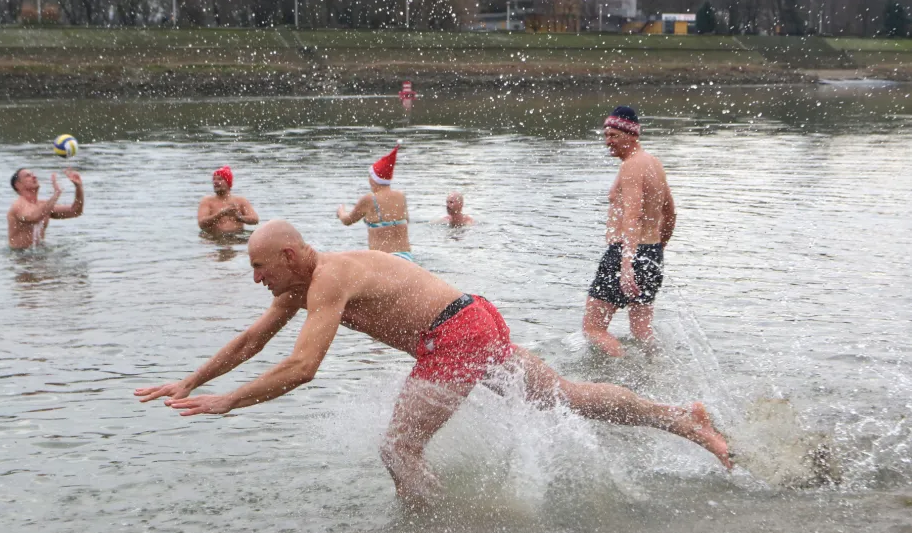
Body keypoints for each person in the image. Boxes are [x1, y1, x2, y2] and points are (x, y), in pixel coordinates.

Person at [135, 220, 730, 506]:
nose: (258, 281)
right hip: (475, 318)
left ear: (290, 255)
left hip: (454, 335)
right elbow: (250, 343)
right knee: (566, 394)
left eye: (261, 269)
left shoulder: (331, 278)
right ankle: (684, 418)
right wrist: (191, 381)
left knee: (397, 449)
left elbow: (302, 366)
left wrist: (230, 402)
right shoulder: (302, 285)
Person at [583, 106, 676, 358]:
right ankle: (655, 369)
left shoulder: (632, 166)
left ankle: (623, 377)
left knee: (593, 328)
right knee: (642, 330)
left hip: (626, 254)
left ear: (632, 135)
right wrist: (657, 250)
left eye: (614, 135)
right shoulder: (653, 163)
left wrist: (626, 266)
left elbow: (631, 217)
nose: (608, 142)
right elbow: (670, 213)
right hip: (650, 253)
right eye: (605, 136)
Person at [337, 144, 413, 262]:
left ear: (373, 179)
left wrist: (340, 211)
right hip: (406, 259)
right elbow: (407, 220)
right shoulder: (401, 196)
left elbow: (348, 221)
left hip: (382, 261)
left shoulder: (369, 199)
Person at [7, 167, 84, 250]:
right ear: (18, 185)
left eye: (33, 174)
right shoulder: (18, 205)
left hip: (38, 253)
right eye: (28, 176)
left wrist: (78, 187)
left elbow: (76, 211)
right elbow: (34, 217)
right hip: (20, 257)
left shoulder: (43, 205)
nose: (34, 177)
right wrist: (56, 194)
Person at [198, 166, 260, 234]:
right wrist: (221, 214)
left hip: (237, 237)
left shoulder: (240, 201)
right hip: (215, 239)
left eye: (220, 179)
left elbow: (255, 220)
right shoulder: (207, 201)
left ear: (228, 183)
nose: (215, 182)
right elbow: (201, 224)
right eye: (214, 179)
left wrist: (239, 218)